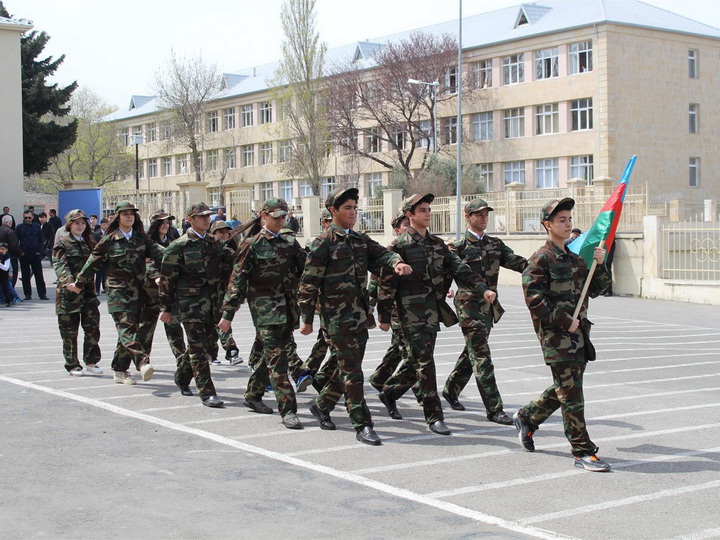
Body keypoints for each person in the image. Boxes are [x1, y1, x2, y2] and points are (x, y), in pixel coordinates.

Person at [298, 188, 412, 446]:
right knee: (353, 372)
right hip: (336, 319)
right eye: (347, 208)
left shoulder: (360, 239)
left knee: (346, 369)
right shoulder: (323, 242)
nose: (352, 213)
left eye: (355, 208)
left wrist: (395, 262)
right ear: (333, 211)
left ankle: (321, 404)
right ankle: (363, 423)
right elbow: (308, 284)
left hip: (360, 316)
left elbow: (381, 253)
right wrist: (307, 319)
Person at [376, 194, 491, 436]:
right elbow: (386, 284)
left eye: (429, 209)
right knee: (426, 364)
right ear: (410, 215)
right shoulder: (399, 246)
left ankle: (390, 391)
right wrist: (384, 316)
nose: (428, 214)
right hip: (409, 313)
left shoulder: (438, 244)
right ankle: (434, 416)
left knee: (416, 362)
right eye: (422, 210)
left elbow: (460, 268)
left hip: (431, 313)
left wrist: (483, 288)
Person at [513, 198, 612, 472]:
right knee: (572, 395)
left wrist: (600, 264)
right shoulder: (539, 259)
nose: (567, 224)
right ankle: (583, 450)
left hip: (578, 335)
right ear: (548, 225)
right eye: (561, 220)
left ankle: (527, 417)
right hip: (556, 337)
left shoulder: (575, 259)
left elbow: (597, 289)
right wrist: (564, 320)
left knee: (567, 388)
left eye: (569, 219)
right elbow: (534, 300)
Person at [219, 198, 307, 429]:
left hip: (288, 310)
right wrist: (228, 314)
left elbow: (307, 270)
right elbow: (237, 280)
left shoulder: (290, 242)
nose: (280, 220)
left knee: (275, 355)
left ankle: (253, 394)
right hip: (265, 310)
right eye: (276, 216)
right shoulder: (251, 244)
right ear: (263, 216)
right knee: (278, 358)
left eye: (283, 217)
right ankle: (288, 410)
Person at [441, 198, 528, 424]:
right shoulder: (457, 248)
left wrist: (543, 266)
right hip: (468, 308)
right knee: (482, 356)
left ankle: (451, 389)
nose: (483, 217)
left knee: (472, 352)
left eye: (485, 214)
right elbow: (445, 274)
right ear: (468, 217)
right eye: (478, 214)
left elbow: (518, 262)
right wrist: (443, 293)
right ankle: (494, 408)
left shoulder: (495, 244)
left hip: (488, 308)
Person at [69, 202, 163, 385]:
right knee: (127, 328)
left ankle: (119, 370)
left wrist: (180, 259)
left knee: (128, 332)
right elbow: (92, 263)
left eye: (132, 214)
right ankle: (142, 362)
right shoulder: (109, 240)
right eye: (125, 214)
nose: (129, 217)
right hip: (118, 292)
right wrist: (79, 283)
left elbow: (160, 253)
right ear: (118, 217)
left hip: (139, 293)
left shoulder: (141, 238)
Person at [159, 202, 234, 408]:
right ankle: (207, 392)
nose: (206, 219)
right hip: (190, 306)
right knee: (199, 348)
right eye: (201, 216)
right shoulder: (178, 246)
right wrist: (166, 308)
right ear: (189, 219)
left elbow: (231, 267)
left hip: (213, 304)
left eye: (208, 216)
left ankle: (182, 376)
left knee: (207, 346)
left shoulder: (216, 243)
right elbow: (167, 280)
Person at [52, 210, 102, 376]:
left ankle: (91, 361)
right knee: (69, 331)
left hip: (88, 292)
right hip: (69, 294)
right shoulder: (63, 243)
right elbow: (60, 264)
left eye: (82, 223)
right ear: (69, 225)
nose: (80, 226)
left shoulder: (90, 241)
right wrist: (68, 282)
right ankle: (72, 364)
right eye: (76, 223)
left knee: (93, 328)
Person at [367, 209, 411, 393]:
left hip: (413, 309)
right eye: (406, 225)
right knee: (410, 353)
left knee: (398, 348)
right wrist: (375, 309)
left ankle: (379, 378)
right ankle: (412, 390)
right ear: (397, 230)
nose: (410, 228)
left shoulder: (416, 245)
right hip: (397, 309)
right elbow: (378, 280)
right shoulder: (393, 250)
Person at [137, 210, 187, 365]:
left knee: (174, 325)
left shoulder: (173, 240)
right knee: (146, 327)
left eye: (168, 222)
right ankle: (143, 360)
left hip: (168, 291)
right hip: (150, 291)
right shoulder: (147, 242)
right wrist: (156, 275)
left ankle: (181, 358)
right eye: (162, 222)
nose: (166, 225)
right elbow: (147, 262)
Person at [209, 220, 242, 366]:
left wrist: (238, 298)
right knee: (213, 324)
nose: (224, 234)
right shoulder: (208, 249)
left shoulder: (231, 251)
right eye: (220, 232)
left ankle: (231, 351)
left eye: (226, 231)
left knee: (221, 321)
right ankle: (217, 352)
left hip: (225, 293)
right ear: (213, 233)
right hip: (208, 293)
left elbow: (239, 273)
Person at [16, 210, 48, 301]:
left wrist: (39, 251)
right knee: (25, 276)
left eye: (29, 218)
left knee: (39, 275)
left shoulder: (37, 227)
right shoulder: (19, 227)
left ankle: (42, 294)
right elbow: (16, 240)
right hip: (24, 254)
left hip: (35, 254)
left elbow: (41, 240)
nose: (27, 219)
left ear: (33, 217)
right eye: (25, 218)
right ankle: (27, 294)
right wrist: (20, 252)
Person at [93, 218, 109, 294]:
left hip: (107, 257)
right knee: (98, 274)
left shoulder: (109, 233)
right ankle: (97, 290)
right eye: (103, 225)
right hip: (99, 257)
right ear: (101, 225)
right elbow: (93, 244)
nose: (105, 226)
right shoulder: (97, 233)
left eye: (106, 225)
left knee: (105, 274)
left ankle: (105, 288)